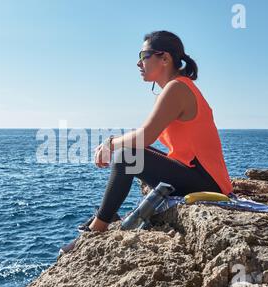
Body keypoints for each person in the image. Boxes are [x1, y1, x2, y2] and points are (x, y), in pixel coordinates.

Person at [88, 30, 233, 232]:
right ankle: (105, 219)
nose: (138, 63)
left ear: (164, 58)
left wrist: (109, 144)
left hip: (207, 183)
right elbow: (143, 136)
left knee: (126, 156)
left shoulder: (177, 89)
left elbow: (145, 137)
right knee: (128, 154)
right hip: (198, 175)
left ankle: (98, 228)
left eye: (143, 56)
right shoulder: (174, 88)